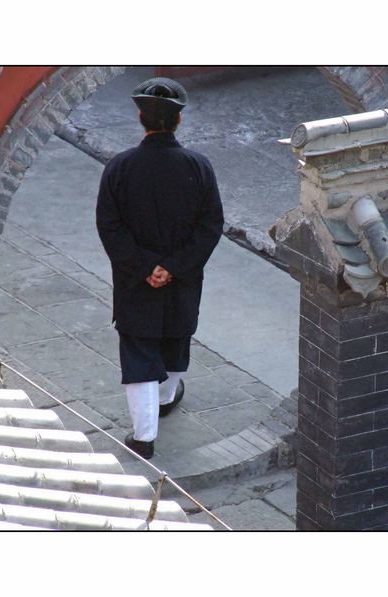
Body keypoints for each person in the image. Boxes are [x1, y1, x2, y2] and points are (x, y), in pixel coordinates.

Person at [95, 77, 224, 459]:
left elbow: (110, 227)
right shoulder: (199, 166)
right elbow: (210, 226)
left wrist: (145, 267)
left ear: (140, 117)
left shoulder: (119, 168)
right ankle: (167, 397)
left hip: (136, 281)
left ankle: (143, 437)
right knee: (176, 339)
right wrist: (172, 267)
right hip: (183, 279)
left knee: (139, 351)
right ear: (178, 121)